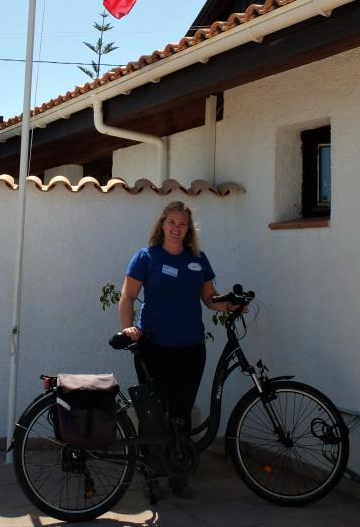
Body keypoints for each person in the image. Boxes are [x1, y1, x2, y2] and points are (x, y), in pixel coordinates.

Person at [118, 200, 236, 497]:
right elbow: (128, 295)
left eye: (182, 224)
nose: (176, 228)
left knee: (180, 412)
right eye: (171, 222)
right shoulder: (147, 257)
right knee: (153, 413)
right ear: (162, 225)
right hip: (153, 348)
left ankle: (177, 473)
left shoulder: (198, 259)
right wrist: (128, 328)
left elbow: (210, 298)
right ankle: (150, 473)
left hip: (191, 348)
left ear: (188, 229)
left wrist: (232, 305)